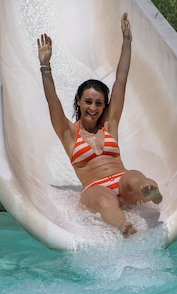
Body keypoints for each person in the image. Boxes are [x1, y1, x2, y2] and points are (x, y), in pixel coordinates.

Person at [37, 13, 162, 237]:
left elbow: (121, 81)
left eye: (98, 103)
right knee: (106, 200)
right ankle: (122, 224)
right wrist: (45, 66)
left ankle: (150, 191)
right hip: (95, 188)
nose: (93, 108)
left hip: (121, 178)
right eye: (88, 102)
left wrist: (127, 42)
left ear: (104, 106)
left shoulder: (109, 125)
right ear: (79, 102)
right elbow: (52, 101)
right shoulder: (68, 132)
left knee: (135, 178)